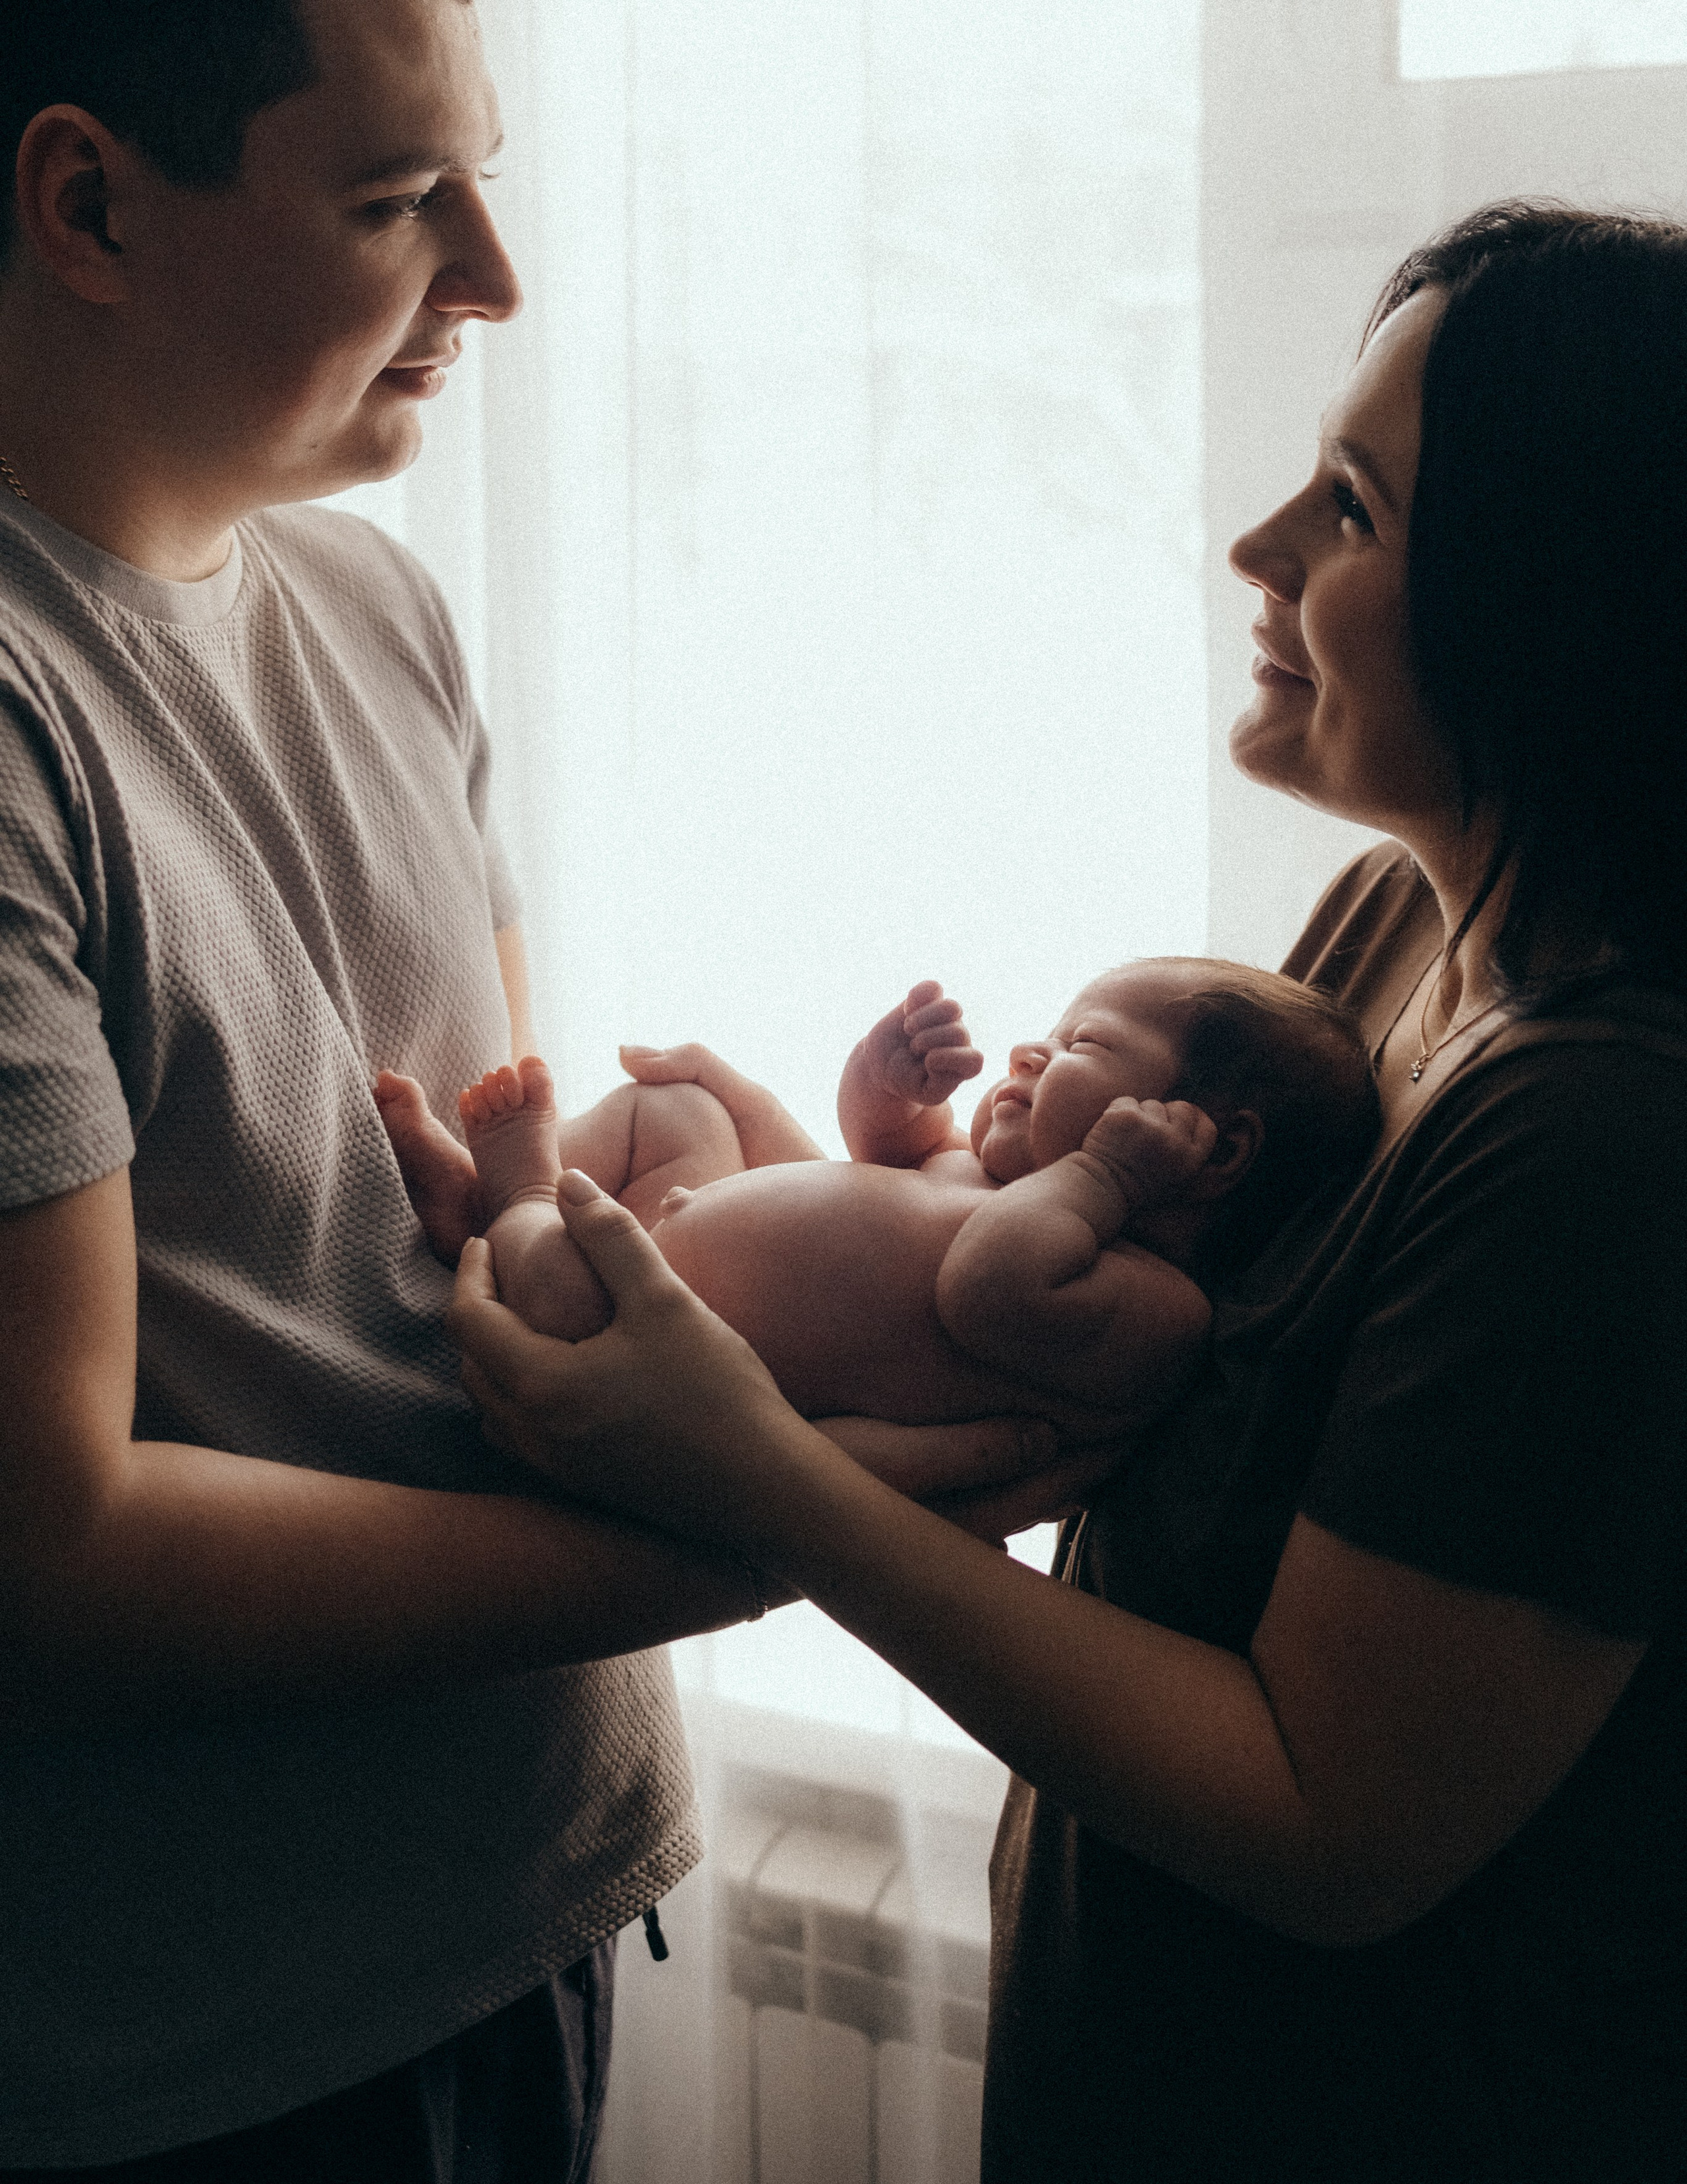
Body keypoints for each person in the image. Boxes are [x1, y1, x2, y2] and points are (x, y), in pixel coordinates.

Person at [0, 0, 1054, 2179]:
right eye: (398, 202)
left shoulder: (375, 599)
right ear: (88, 204)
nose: (493, 278)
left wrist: (761, 1212)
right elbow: (47, 1564)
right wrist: (788, 1526)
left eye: (485, 181)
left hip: (532, 1897)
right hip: (211, 2047)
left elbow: (447, 1250)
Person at [447, 202, 1687, 2180]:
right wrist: (816, 1214)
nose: (1256, 549)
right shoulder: (1387, 934)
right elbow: (1096, 1377)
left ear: (1559, 607)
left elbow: (1327, 1821)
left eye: (1349, 511)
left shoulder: (1602, 1133)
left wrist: (748, 1468)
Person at [380, 960, 1379, 1439]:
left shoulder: (1157, 1308)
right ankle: (484, 1204)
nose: (1031, 1049)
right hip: (673, 1232)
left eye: (1083, 1044)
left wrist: (1107, 1179)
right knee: (675, 1107)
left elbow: (983, 1288)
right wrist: (888, 1081)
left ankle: (515, 1198)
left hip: (632, 1343)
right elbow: (887, 1154)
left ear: (1216, 1148)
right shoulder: (1002, 1184)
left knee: (553, 1279)